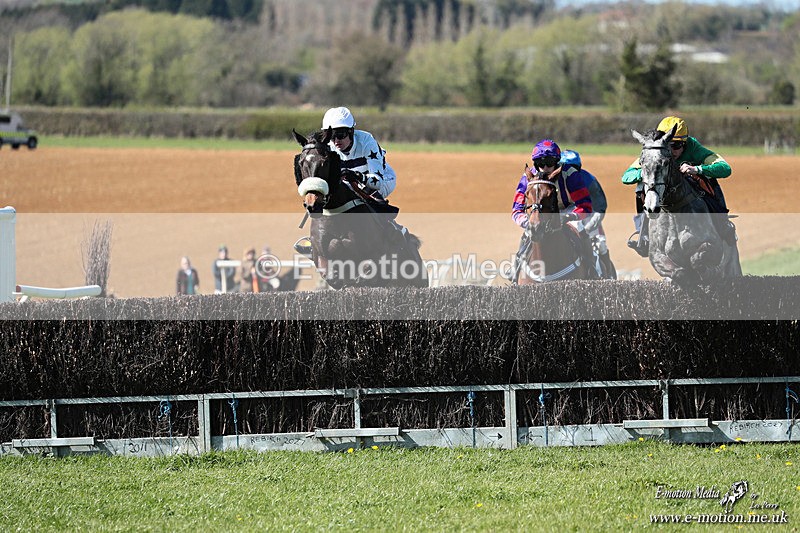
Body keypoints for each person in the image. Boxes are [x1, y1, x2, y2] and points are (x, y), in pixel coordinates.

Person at [621, 116, 733, 256]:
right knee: (641, 187)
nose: (671, 150)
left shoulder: (693, 147)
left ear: (685, 144)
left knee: (709, 179)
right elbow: (626, 177)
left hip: (689, 193)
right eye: (667, 145)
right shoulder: (656, 149)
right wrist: (646, 173)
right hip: (663, 195)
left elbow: (725, 168)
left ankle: (723, 223)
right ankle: (643, 234)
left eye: (676, 146)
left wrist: (698, 169)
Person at [510, 139, 599, 282]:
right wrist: (526, 221)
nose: (545, 167)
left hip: (567, 210)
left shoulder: (570, 174)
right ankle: (516, 269)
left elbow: (585, 205)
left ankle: (591, 267)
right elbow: (517, 210)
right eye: (540, 163)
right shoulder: (528, 177)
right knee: (528, 232)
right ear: (534, 163)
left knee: (579, 227)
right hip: (540, 212)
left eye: (549, 162)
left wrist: (570, 217)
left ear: (557, 161)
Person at [321, 106, 407, 243]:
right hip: (350, 184)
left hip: (382, 180)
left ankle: (393, 230)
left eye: (340, 135)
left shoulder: (367, 142)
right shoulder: (328, 147)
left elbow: (377, 181)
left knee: (365, 194)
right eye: (331, 135)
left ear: (351, 132)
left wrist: (357, 176)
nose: (336, 140)